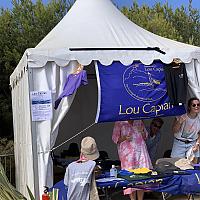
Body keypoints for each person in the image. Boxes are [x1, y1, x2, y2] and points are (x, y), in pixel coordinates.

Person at [112, 120, 152, 200]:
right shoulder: (119, 122)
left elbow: (146, 136)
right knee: (130, 178)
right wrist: (124, 138)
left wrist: (143, 132)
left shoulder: (139, 120)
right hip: (128, 156)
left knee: (141, 177)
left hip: (140, 154)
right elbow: (114, 138)